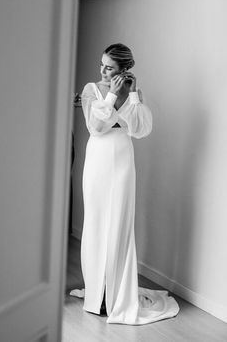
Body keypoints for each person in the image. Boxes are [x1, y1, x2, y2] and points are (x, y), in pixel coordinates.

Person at [70, 43, 179, 325]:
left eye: (110, 67)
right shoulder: (92, 89)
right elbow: (96, 127)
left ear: (123, 70)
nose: (103, 70)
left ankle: (117, 295)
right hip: (97, 161)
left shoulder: (133, 94)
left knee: (119, 223)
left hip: (123, 162)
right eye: (102, 65)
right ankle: (96, 295)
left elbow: (140, 130)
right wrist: (111, 95)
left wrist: (130, 96)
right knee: (96, 223)